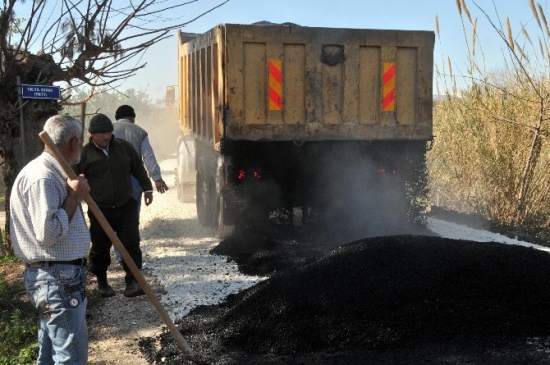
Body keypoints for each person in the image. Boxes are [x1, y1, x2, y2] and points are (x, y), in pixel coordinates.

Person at [10, 114, 91, 364]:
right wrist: (74, 198)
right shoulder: (42, 177)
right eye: (81, 140)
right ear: (74, 142)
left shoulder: (53, 172)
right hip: (57, 277)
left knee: (50, 351)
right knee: (71, 356)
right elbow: (48, 233)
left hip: (56, 276)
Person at [73, 113, 153, 298]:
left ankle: (132, 281)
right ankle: (102, 282)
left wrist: (147, 189)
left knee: (131, 244)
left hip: (126, 206)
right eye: (101, 133)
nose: (106, 136)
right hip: (100, 209)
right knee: (100, 247)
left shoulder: (124, 148)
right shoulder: (84, 154)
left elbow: (138, 169)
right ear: (92, 134)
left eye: (108, 132)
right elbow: (75, 178)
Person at [112, 104, 168, 262]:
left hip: (111, 181)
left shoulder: (107, 131)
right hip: (134, 182)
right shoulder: (140, 132)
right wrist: (157, 179)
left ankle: (119, 254)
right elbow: (148, 157)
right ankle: (129, 255)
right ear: (132, 118)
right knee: (131, 218)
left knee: (114, 217)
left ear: (116, 118)